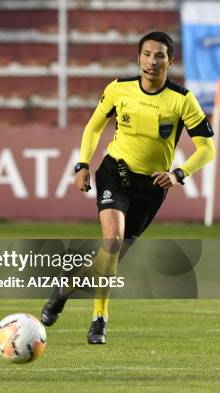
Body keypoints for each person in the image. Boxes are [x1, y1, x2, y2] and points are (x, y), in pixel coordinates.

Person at [41, 31, 215, 344]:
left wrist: (179, 173)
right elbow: (94, 126)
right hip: (114, 173)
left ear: (169, 61)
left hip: (151, 187)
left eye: (159, 55)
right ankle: (99, 320)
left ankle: (64, 289)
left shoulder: (182, 99)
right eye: (146, 54)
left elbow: (207, 148)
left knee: (112, 257)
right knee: (112, 241)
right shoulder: (119, 89)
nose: (152, 61)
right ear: (138, 58)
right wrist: (82, 164)